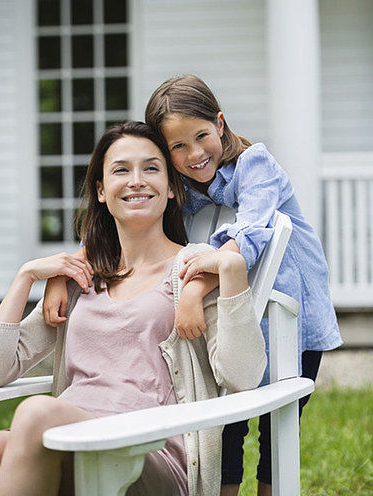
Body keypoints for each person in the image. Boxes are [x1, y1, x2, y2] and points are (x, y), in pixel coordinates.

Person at [0, 121, 267, 496]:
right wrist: (26, 276)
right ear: (100, 190)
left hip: (147, 456)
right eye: (121, 170)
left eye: (151, 168)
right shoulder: (83, 277)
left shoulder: (193, 269)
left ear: (172, 189)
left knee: (36, 413)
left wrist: (232, 271)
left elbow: (242, 377)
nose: (137, 180)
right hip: (72, 442)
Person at [143, 75, 343, 496]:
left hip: (290, 317)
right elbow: (128, 222)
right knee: (227, 424)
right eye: (178, 146)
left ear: (219, 122)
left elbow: (251, 232)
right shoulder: (181, 189)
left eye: (201, 136)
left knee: (278, 428)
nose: (195, 154)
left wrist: (195, 286)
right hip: (233, 325)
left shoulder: (256, 164)